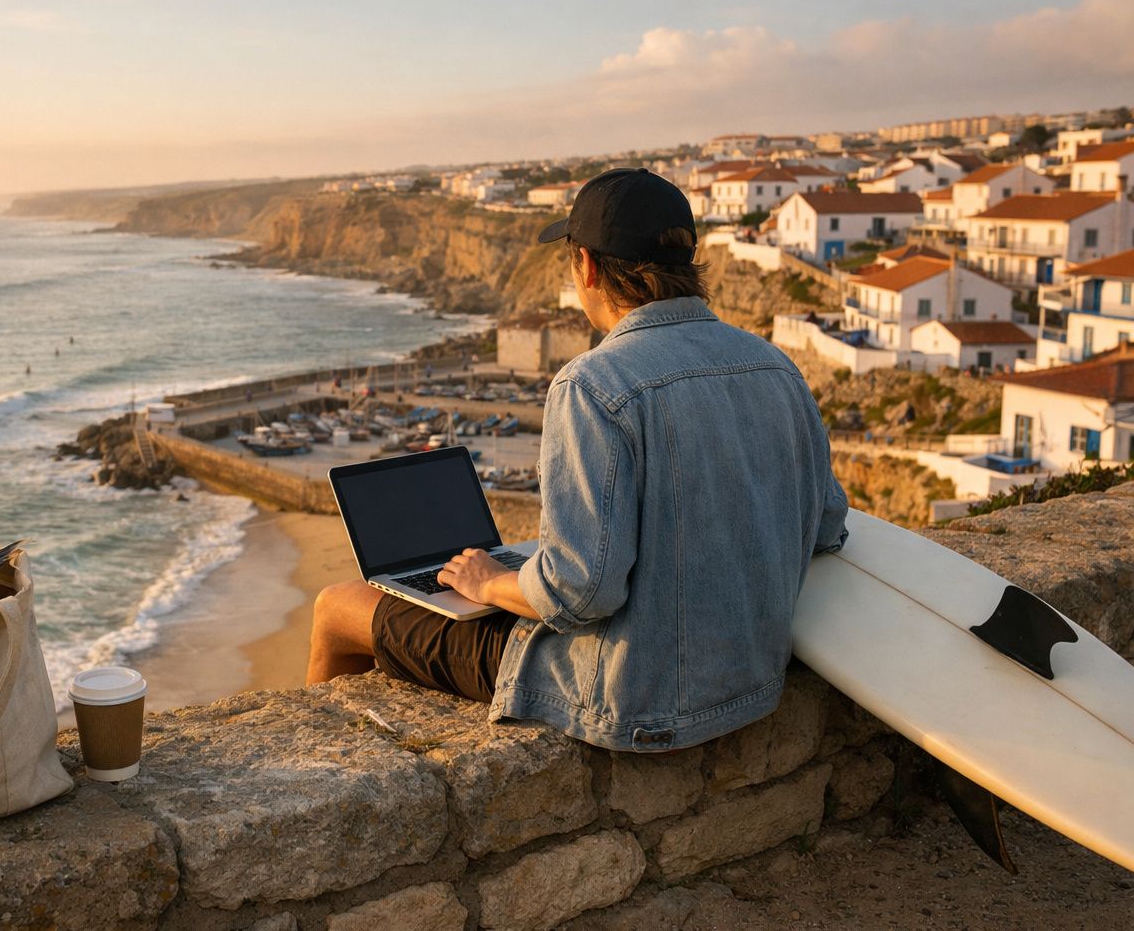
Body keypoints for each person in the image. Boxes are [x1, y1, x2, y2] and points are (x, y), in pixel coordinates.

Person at [307, 169, 848, 753]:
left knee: (337, 605)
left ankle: (310, 771)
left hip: (631, 696)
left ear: (586, 266)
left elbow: (580, 594)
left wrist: (490, 582)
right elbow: (826, 528)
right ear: (689, 260)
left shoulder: (593, 384)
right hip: (752, 683)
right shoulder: (773, 366)